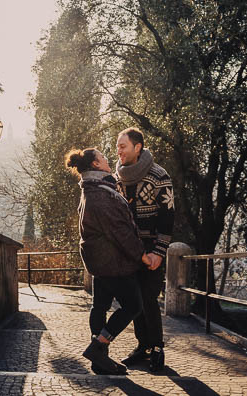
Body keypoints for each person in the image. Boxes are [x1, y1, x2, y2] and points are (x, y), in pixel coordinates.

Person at [65, 147, 159, 375]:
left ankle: (100, 362)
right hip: (113, 262)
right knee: (134, 305)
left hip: (100, 261)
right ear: (96, 165)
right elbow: (120, 231)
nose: (108, 159)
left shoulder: (94, 188)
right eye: (103, 157)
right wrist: (142, 255)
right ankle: (99, 348)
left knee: (100, 306)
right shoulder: (100, 194)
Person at [115, 127, 175, 372]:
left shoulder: (159, 176)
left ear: (137, 147)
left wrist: (159, 252)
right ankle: (143, 346)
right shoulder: (117, 177)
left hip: (151, 250)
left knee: (148, 298)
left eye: (123, 146)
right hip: (129, 251)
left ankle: (157, 348)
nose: (118, 151)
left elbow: (168, 218)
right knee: (134, 300)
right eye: (117, 146)